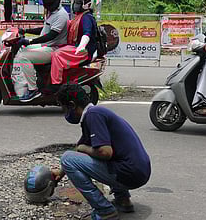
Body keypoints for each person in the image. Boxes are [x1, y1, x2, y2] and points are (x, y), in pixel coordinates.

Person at [51, 84, 151, 220]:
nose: (65, 113)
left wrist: (82, 149)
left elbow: (105, 152)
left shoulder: (93, 116)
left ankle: (105, 210)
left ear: (72, 105)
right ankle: (123, 200)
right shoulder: (95, 114)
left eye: (64, 108)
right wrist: (60, 173)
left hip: (130, 173)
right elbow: (79, 147)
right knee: (83, 155)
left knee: (67, 158)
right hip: (139, 171)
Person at [11, 0, 68, 101]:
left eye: (48, 2)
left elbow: (51, 35)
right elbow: (43, 30)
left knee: (23, 57)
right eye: (45, 2)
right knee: (21, 49)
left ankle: (33, 89)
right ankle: (29, 80)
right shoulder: (53, 13)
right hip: (47, 45)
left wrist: (30, 41)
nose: (46, 4)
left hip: (53, 48)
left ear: (56, 0)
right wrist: (26, 31)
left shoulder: (61, 15)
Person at [50, 0, 97, 85]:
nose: (75, 5)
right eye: (74, 2)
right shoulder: (78, 17)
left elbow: (86, 33)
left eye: (78, 2)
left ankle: (55, 84)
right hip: (76, 47)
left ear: (87, 4)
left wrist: (82, 46)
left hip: (83, 51)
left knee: (57, 54)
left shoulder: (86, 17)